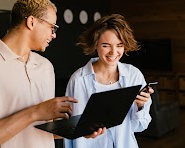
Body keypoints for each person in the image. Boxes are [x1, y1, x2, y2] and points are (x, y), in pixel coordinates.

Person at [0, 0, 105, 148]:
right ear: (31, 22)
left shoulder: (45, 66)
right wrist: (34, 113)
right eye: (52, 27)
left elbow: (41, 131)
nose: (54, 35)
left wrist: (79, 130)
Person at [64, 14, 154, 148]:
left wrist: (140, 107)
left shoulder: (134, 75)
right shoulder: (78, 80)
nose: (114, 52)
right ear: (96, 45)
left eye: (119, 45)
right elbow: (70, 129)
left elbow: (139, 127)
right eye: (106, 45)